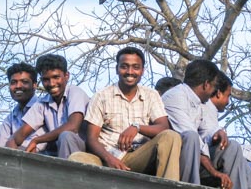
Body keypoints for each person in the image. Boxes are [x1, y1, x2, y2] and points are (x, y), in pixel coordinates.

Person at [68, 47, 181, 180]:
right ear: (117, 69)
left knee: (171, 136)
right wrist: (109, 159)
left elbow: (163, 127)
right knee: (76, 158)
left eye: (135, 67)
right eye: (124, 67)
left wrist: (137, 127)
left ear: (142, 70)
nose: (130, 72)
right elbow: (92, 138)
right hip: (107, 157)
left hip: (138, 156)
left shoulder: (151, 95)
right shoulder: (101, 96)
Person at [162, 61, 251, 189]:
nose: (213, 93)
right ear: (206, 84)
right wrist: (214, 172)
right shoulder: (175, 96)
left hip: (197, 158)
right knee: (191, 137)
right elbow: (191, 136)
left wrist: (217, 133)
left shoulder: (199, 102)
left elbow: (206, 131)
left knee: (232, 146)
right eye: (213, 87)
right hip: (176, 158)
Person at [6, 54, 90, 158]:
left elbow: (73, 127)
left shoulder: (75, 92)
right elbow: (16, 137)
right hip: (57, 152)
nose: (51, 83)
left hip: (81, 151)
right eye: (46, 79)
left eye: (56, 77)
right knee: (25, 150)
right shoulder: (42, 103)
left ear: (66, 76)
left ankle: (68, 173)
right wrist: (13, 151)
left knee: (66, 136)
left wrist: (37, 140)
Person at [0, 62, 47, 152]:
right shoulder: (11, 118)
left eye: (24, 82)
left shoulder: (44, 107)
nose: (18, 86)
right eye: (13, 82)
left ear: (34, 85)